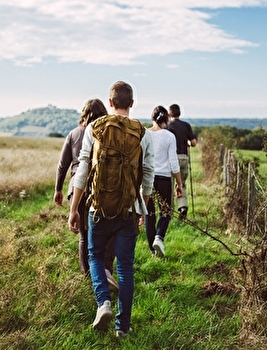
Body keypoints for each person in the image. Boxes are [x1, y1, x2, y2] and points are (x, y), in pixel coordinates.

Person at [68, 81, 154, 337]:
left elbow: (83, 170)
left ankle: (103, 302)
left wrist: (75, 209)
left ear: (110, 103)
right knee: (125, 267)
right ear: (132, 104)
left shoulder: (94, 128)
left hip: (98, 208)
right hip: (129, 208)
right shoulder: (143, 133)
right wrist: (143, 208)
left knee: (94, 256)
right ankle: (123, 327)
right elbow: (147, 175)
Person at [54, 99, 118, 291]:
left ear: (84, 114)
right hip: (102, 187)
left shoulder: (74, 134)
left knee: (84, 235)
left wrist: (58, 189)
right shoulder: (107, 133)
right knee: (107, 232)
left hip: (78, 189)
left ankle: (88, 277)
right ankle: (106, 270)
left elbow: (62, 165)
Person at [145, 106, 183, 257]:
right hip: (164, 179)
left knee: (149, 214)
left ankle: (152, 250)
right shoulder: (169, 136)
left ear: (152, 118)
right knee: (166, 211)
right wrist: (179, 183)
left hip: (147, 178)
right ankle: (159, 237)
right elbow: (173, 163)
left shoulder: (145, 134)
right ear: (166, 119)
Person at [167, 104, 197, 220]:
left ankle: (168, 211)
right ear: (179, 113)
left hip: (171, 158)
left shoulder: (167, 126)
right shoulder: (186, 125)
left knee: (169, 184)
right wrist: (188, 143)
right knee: (181, 184)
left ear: (170, 114)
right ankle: (182, 206)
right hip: (184, 157)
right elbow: (193, 143)